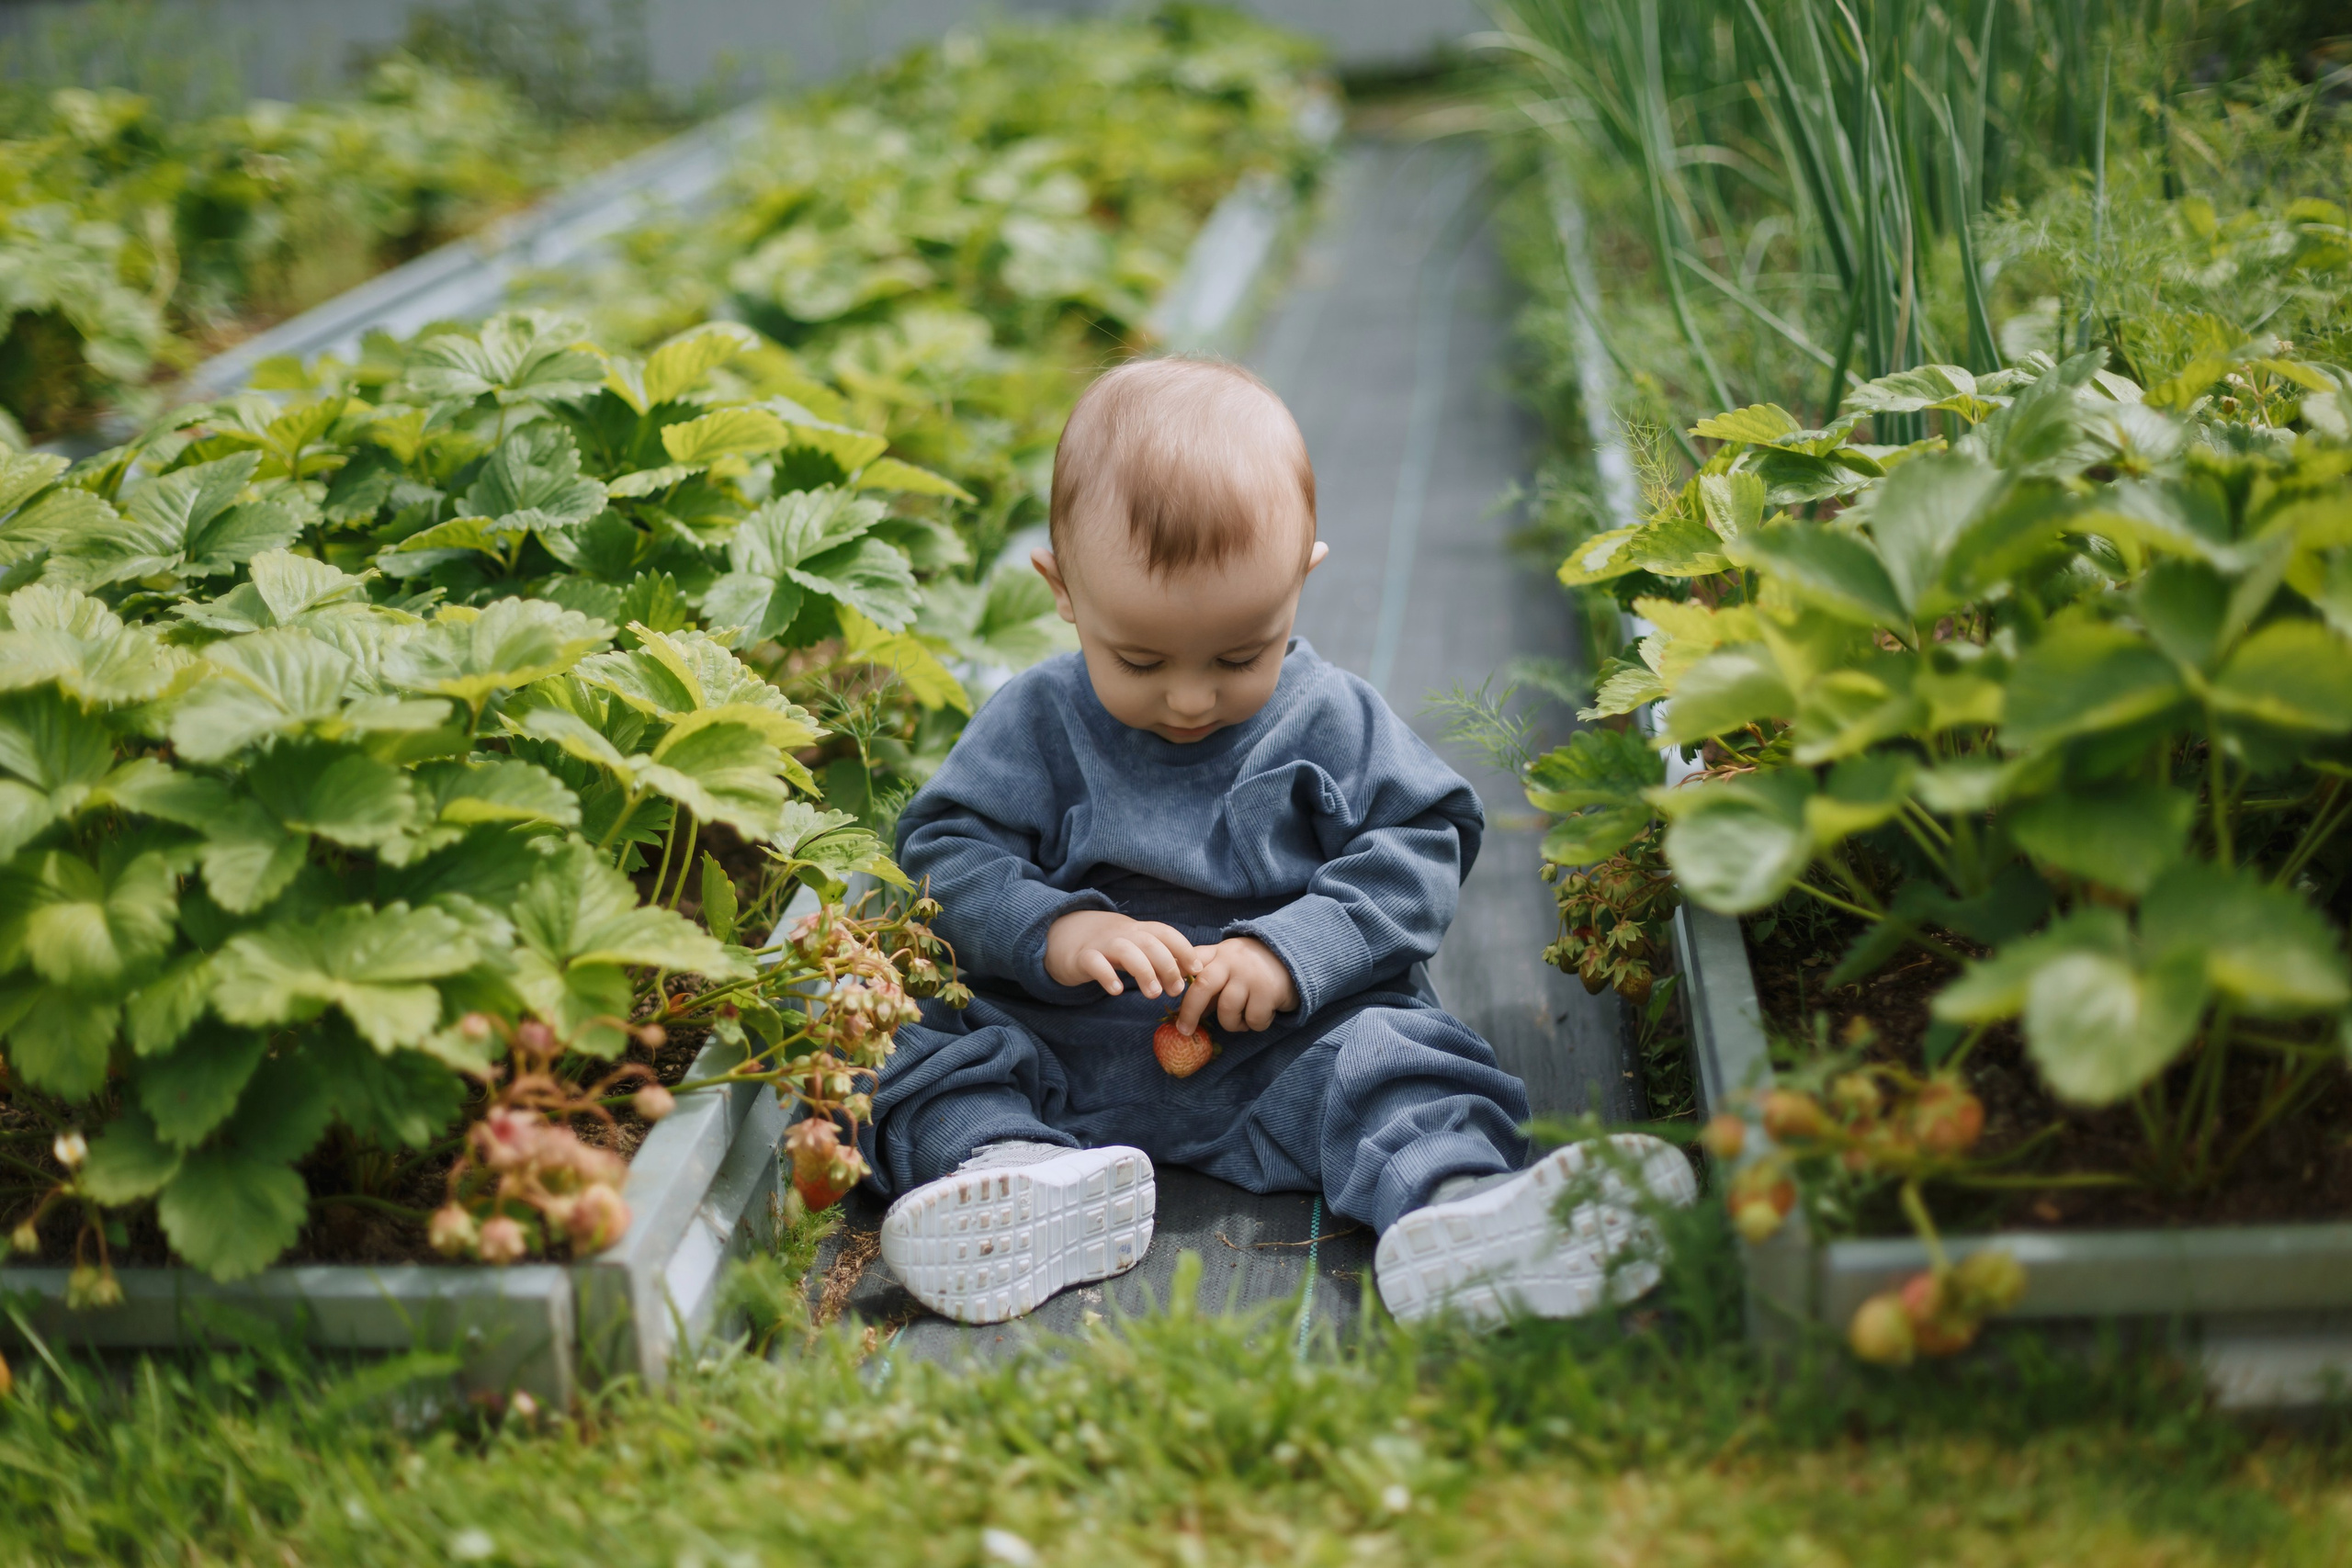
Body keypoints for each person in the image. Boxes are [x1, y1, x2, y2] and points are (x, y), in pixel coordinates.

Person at [862, 355, 1694, 1327]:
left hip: (1282, 1052)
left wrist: (1289, 950)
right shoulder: (1037, 720)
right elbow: (943, 851)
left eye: (1238, 655)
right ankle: (1012, 1172)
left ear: (1301, 579)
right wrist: (1053, 932)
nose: (1187, 697)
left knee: (1396, 1062)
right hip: (1057, 1043)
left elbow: (1421, 838)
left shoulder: (1331, 722)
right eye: (1137, 658)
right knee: (902, 1045)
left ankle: (1459, 1205)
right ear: (1062, 590)